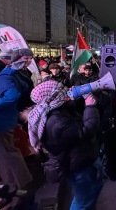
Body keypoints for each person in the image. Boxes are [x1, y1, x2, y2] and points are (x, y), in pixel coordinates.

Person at [28, 81, 103, 210]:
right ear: (53, 97)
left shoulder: (52, 111)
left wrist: (77, 100)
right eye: (61, 89)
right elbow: (87, 131)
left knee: (86, 197)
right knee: (83, 201)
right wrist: (90, 107)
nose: (65, 89)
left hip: (78, 160)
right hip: (80, 165)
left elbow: (70, 116)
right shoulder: (57, 122)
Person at [0, 49, 34, 190]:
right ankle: (22, 183)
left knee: (5, 156)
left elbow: (12, 95)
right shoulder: (12, 74)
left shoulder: (4, 77)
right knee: (9, 153)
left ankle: (16, 187)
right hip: (5, 120)